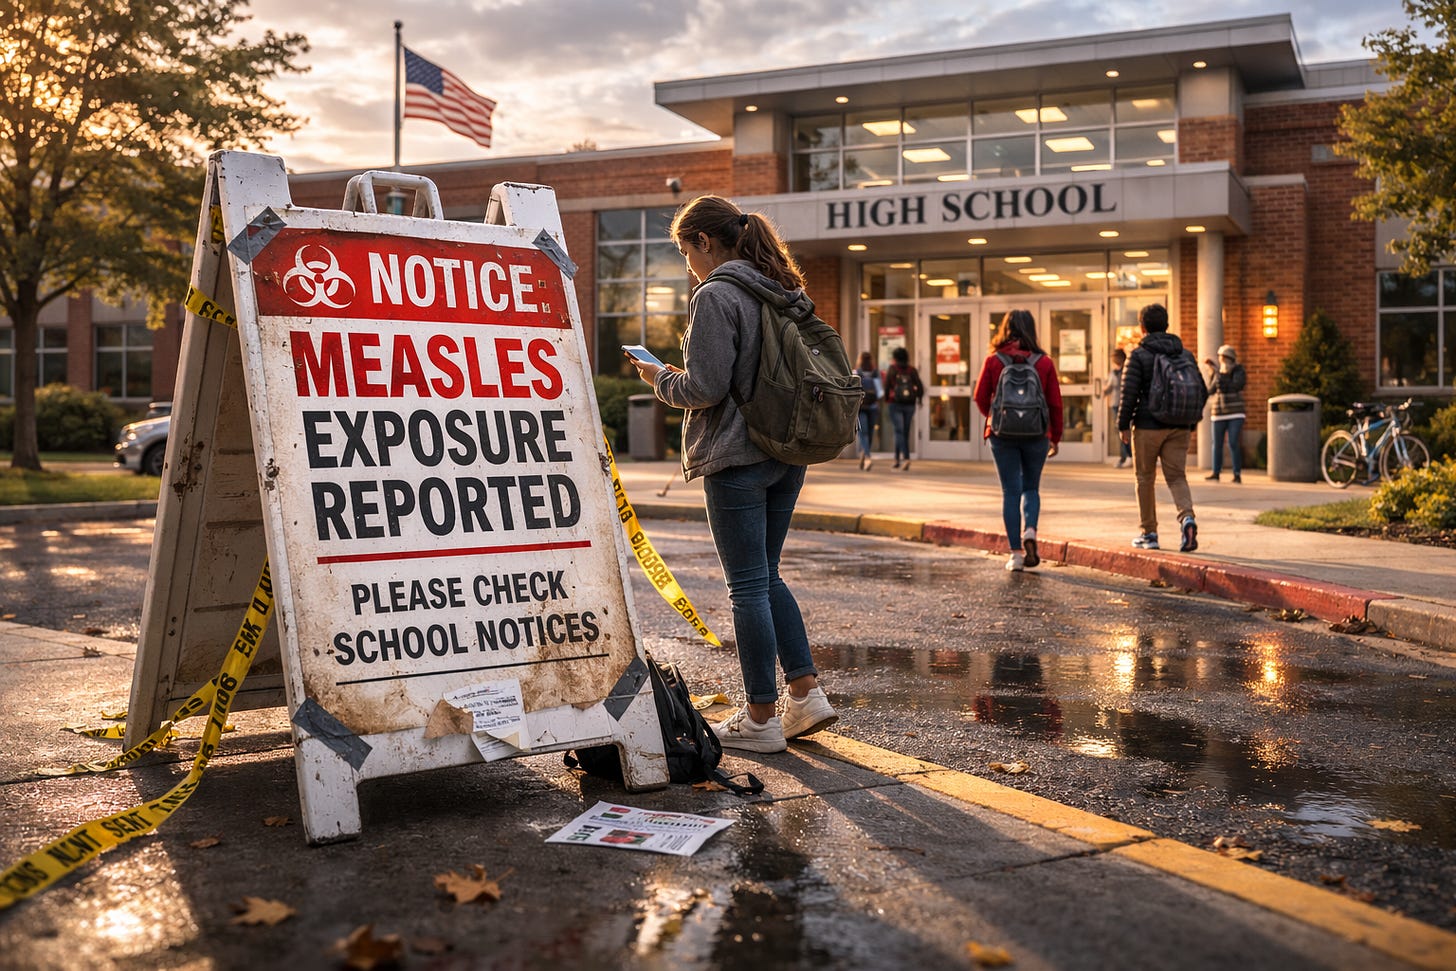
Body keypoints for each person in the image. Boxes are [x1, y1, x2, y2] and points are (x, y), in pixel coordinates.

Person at [626, 194, 837, 754]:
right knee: (767, 575)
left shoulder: (717, 294)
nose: (687, 265)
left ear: (704, 241)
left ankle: (761, 719)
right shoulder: (783, 288)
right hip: (787, 450)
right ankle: (806, 693)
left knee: (747, 586)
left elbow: (704, 387)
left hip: (737, 455)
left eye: (685, 252)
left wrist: (657, 377)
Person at [973, 309, 1063, 571]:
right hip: (1037, 434)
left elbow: (980, 397)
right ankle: (1030, 530)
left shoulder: (994, 360)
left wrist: (996, 418)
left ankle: (1015, 555)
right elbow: (1055, 403)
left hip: (1002, 435)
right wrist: (1055, 436)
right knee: (1031, 488)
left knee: (1010, 491)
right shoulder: (1044, 362)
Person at [1117, 303, 1199, 553]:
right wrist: (1190, 422)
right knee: (1177, 477)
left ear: (1142, 327)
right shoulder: (1184, 354)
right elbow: (1201, 390)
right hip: (1179, 426)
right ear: (1167, 325)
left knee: (1145, 478)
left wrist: (1123, 424)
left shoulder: (1139, 355)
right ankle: (1187, 518)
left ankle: (1149, 533)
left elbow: (1128, 393)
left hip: (1147, 426)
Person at [1204, 344, 1247, 483]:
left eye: (1224, 357)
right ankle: (1216, 472)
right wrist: (1212, 373)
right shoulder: (1218, 373)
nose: (1222, 360)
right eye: (1220, 357)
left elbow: (1236, 386)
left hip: (1235, 412)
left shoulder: (1238, 370)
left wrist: (1220, 374)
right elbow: (1211, 390)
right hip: (1218, 412)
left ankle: (1237, 473)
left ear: (1230, 357)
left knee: (1233, 442)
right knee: (1216, 443)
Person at [884, 346, 923, 470]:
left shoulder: (892, 369)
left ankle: (905, 458)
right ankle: (897, 459)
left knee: (899, 431)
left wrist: (887, 399)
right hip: (910, 405)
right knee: (903, 432)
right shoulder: (912, 370)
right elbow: (920, 387)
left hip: (895, 404)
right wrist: (918, 399)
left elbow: (886, 386)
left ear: (895, 358)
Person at [853, 351, 882, 470]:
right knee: (869, 433)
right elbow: (880, 393)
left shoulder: (856, 373)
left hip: (860, 407)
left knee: (863, 433)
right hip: (873, 407)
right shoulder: (875, 373)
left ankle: (866, 456)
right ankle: (866, 456)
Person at [1103, 348, 1130, 467]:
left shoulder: (1127, 370)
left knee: (1125, 430)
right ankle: (1124, 456)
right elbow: (1108, 388)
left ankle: (1129, 456)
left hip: (1125, 403)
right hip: (1115, 403)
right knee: (1120, 431)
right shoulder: (1113, 373)